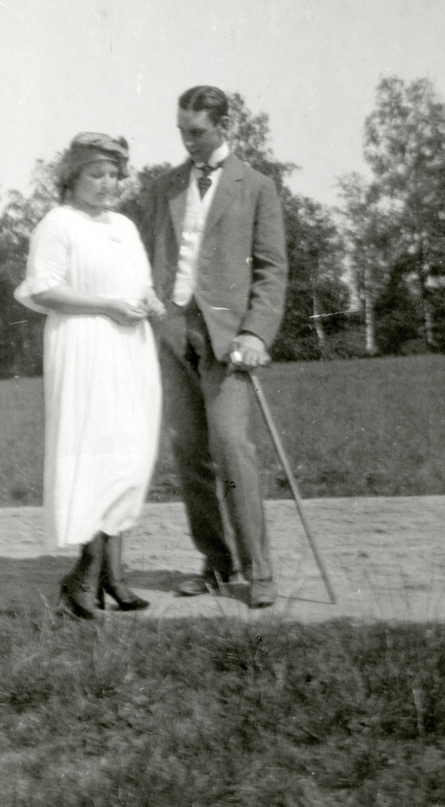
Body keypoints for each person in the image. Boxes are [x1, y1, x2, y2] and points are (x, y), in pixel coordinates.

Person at [141, 86, 287, 609]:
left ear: (225, 126)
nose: (188, 141)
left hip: (228, 340)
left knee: (230, 447)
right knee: (188, 451)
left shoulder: (257, 186)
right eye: (182, 131)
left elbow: (271, 270)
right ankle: (217, 563)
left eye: (198, 132)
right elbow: (148, 255)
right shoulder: (163, 187)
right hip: (172, 331)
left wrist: (255, 333)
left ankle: (259, 568)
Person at [15, 132, 165, 619]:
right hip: (84, 347)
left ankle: (113, 577)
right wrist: (106, 306)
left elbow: (139, 282)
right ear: (72, 177)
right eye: (95, 174)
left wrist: (149, 299)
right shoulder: (57, 224)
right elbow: (43, 290)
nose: (106, 183)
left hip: (130, 348)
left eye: (113, 175)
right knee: (95, 457)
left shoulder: (123, 225)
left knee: (128, 456)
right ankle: (83, 580)